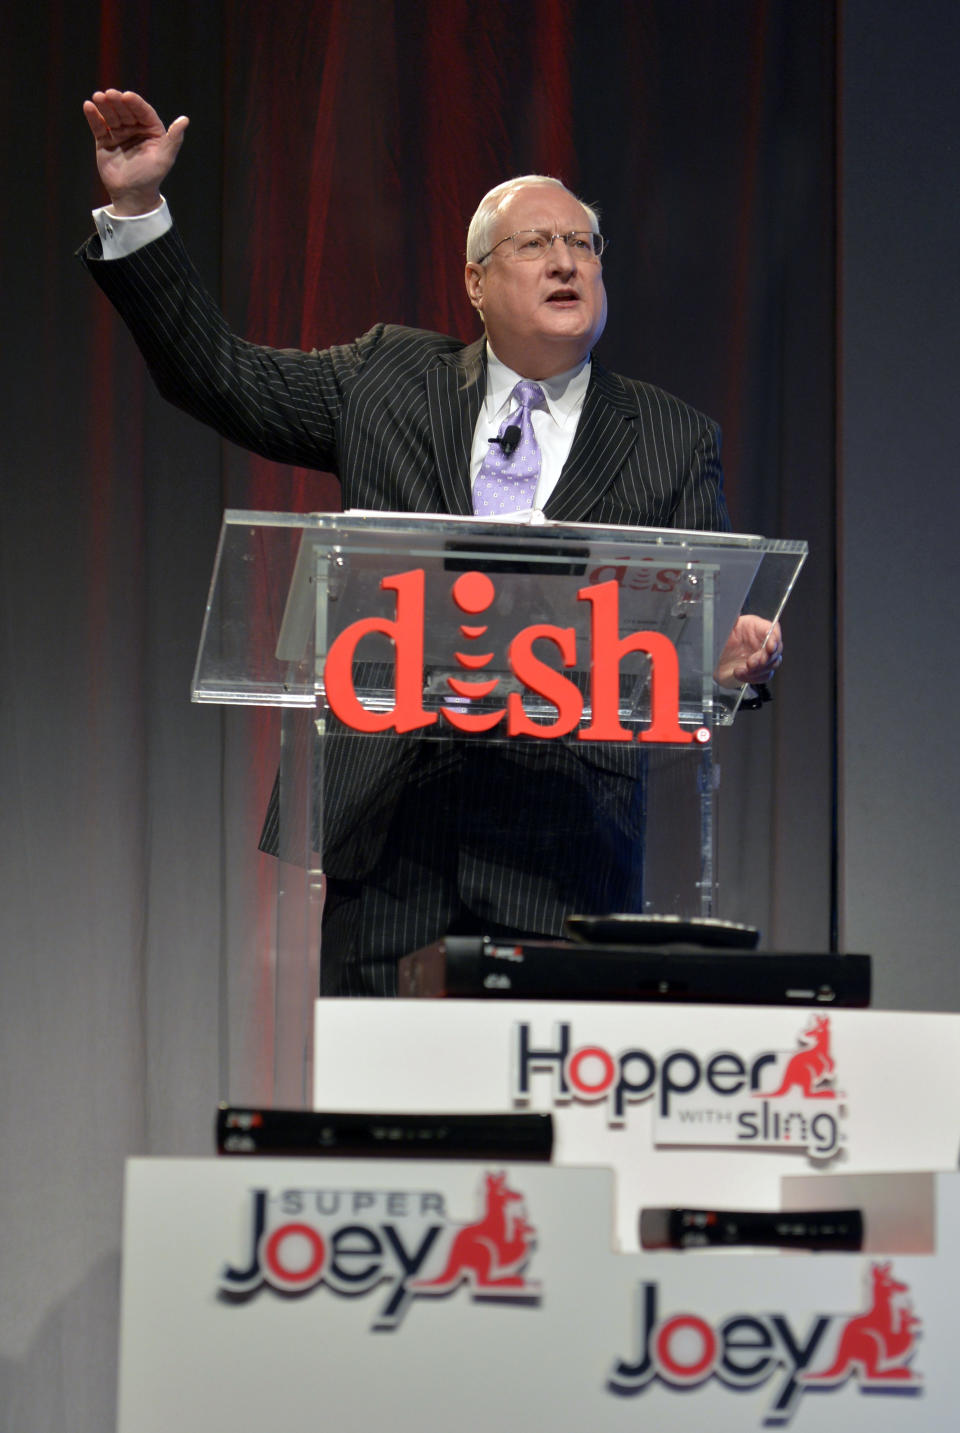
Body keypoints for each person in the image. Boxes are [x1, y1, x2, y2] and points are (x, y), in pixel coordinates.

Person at [81, 90, 783, 995]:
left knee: (546, 1121)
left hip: (568, 841)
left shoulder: (671, 436)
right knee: (387, 1119)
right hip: (395, 836)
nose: (565, 262)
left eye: (582, 245)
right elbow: (217, 375)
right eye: (535, 244)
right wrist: (138, 210)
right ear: (476, 283)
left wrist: (731, 656)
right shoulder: (386, 379)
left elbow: (703, 617)